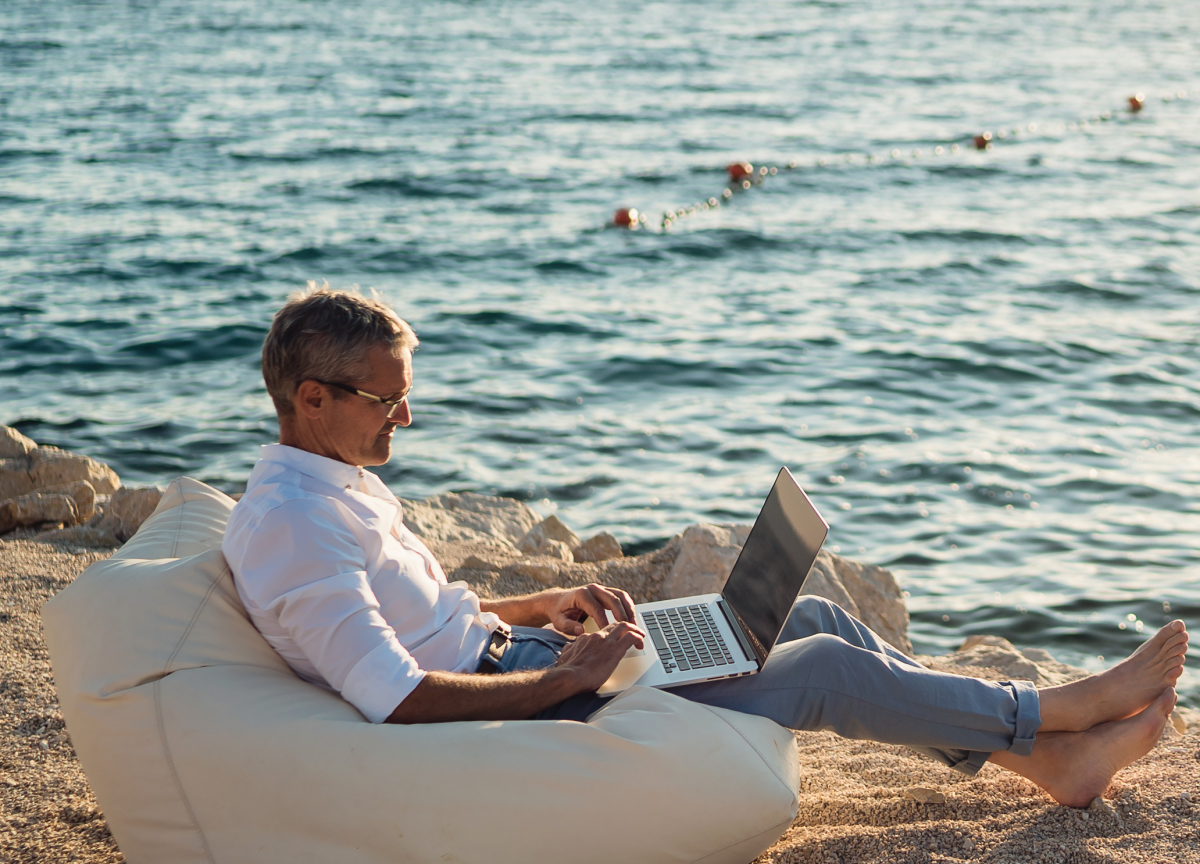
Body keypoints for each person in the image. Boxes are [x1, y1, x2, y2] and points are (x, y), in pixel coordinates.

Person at [223, 285, 1187, 808]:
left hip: (532, 659)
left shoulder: (334, 481)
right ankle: (1056, 709)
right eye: (388, 401)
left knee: (801, 611)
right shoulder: (295, 531)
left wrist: (542, 611)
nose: (406, 417)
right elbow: (397, 697)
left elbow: (431, 621)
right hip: (533, 708)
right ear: (312, 398)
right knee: (817, 668)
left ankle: (1046, 763)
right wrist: (571, 676)